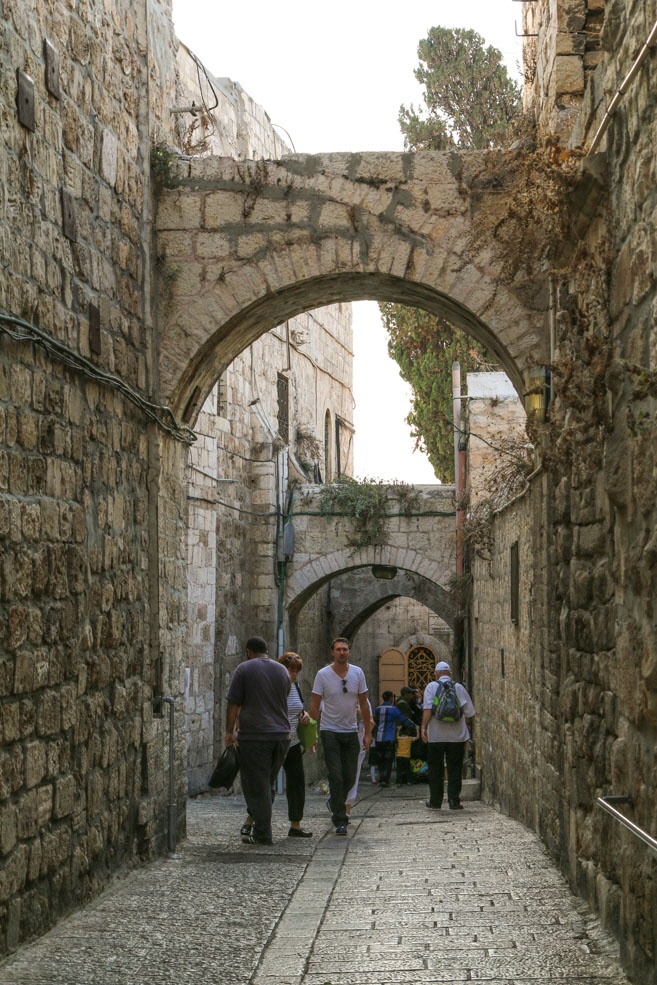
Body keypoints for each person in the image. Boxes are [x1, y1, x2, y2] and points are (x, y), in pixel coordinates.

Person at [225, 636, 291, 845]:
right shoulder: (282, 670)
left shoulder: (244, 669)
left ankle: (263, 833)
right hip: (281, 735)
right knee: (266, 782)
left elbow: (234, 703)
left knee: (256, 784)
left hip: (255, 735)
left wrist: (229, 731)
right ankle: (260, 827)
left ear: (248, 651)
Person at [308, 637, 372, 836]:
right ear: (332, 652)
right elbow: (315, 704)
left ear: (349, 652)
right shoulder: (323, 675)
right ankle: (340, 819)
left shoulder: (357, 673)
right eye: (338, 649)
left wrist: (368, 732)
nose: (342, 652)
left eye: (345, 649)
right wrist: (312, 734)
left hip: (350, 731)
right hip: (330, 731)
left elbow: (363, 703)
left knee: (350, 776)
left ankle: (334, 801)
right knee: (335, 775)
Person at [421, 661, 475, 811]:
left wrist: (423, 727)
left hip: (436, 736)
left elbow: (427, 710)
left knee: (435, 769)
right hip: (457, 736)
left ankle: (436, 801)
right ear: (450, 674)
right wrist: (467, 726)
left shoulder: (431, 687)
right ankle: (454, 801)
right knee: (455, 768)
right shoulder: (458, 687)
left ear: (436, 674)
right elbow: (470, 712)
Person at [279, 652, 314, 838]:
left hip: (293, 742)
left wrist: (304, 715)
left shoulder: (296, 687)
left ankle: (295, 824)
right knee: (265, 781)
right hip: (276, 741)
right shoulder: (276, 687)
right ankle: (253, 820)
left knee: (297, 784)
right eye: (291, 670)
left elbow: (298, 709)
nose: (294, 674)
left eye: (296, 671)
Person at [372, 691, 417, 786]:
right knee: (388, 759)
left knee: (381, 760)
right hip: (389, 737)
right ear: (391, 698)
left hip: (379, 738)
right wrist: (413, 725)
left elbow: (375, 722)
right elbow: (403, 719)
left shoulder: (377, 709)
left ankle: (381, 778)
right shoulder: (393, 709)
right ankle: (386, 780)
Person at [345, 698, 373, 815]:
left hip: (357, 742)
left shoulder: (363, 701)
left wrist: (361, 714)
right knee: (338, 773)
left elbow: (371, 723)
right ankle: (337, 804)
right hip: (339, 740)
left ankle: (346, 811)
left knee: (353, 774)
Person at [395, 687, 423, 785]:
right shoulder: (403, 704)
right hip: (406, 732)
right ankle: (407, 779)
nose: (412, 696)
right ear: (407, 694)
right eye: (411, 694)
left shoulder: (401, 702)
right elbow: (405, 719)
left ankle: (402, 779)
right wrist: (415, 727)